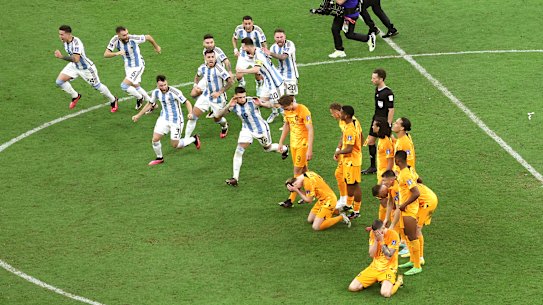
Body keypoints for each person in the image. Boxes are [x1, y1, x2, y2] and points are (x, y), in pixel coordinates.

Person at [215, 87, 289, 186]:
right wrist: (228, 105)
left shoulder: (253, 101)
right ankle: (235, 178)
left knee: (267, 148)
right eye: (240, 97)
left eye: (244, 97)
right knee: (238, 151)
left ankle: (285, 149)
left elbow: (272, 104)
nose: (242, 99)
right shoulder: (233, 104)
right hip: (246, 129)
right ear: (235, 96)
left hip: (260, 129)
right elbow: (218, 116)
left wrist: (262, 103)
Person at [132, 75, 200, 166]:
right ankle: (159, 158)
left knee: (175, 145)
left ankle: (193, 139)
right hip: (163, 118)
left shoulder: (175, 92)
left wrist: (190, 113)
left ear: (167, 82)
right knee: (155, 139)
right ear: (157, 85)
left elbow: (187, 102)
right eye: (161, 86)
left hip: (176, 121)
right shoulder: (156, 92)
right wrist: (138, 115)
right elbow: (150, 104)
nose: (163, 87)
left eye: (165, 85)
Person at [54, 25, 118, 111]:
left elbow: (76, 59)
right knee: (59, 81)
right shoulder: (66, 41)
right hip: (74, 66)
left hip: (86, 69)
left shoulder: (76, 43)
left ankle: (113, 100)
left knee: (97, 86)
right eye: (59, 34)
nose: (60, 36)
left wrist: (61, 57)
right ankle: (75, 96)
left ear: (68, 34)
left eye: (62, 34)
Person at [104, 26, 161, 111]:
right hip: (128, 66)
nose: (126, 36)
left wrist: (156, 47)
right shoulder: (115, 40)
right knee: (135, 85)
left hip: (138, 65)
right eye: (124, 35)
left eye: (127, 33)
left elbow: (148, 37)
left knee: (124, 86)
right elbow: (106, 54)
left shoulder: (133, 38)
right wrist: (117, 53)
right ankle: (152, 104)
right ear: (118, 35)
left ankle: (139, 97)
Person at [185, 50, 234, 139]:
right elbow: (197, 76)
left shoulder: (220, 69)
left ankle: (224, 126)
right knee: (193, 116)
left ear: (215, 58)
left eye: (212, 57)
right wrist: (195, 85)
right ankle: (186, 139)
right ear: (205, 58)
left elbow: (230, 82)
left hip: (218, 99)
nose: (211, 59)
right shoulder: (202, 68)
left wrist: (219, 92)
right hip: (206, 96)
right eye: (209, 57)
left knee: (217, 118)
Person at [348, 219, 403, 297]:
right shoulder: (373, 234)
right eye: (374, 232)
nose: (376, 234)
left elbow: (388, 256)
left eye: (378, 232)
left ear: (383, 228)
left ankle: (398, 282)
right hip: (374, 267)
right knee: (353, 287)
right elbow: (371, 254)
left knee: (385, 293)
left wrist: (382, 241)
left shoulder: (393, 235)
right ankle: (378, 280)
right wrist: (376, 241)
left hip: (388, 269)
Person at [277, 95, 314, 208]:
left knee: (297, 171)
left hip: (303, 145)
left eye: (286, 107)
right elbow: (286, 125)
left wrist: (309, 149)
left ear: (292, 102)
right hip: (294, 144)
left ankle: (290, 200)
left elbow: (310, 129)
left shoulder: (303, 110)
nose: (285, 109)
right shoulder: (287, 112)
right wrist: (281, 142)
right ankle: (310, 193)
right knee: (304, 171)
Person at [236, 38, 285, 121]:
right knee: (261, 100)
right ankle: (275, 113)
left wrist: (242, 70)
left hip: (274, 82)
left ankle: (287, 121)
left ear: (248, 46)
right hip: (267, 81)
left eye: (243, 47)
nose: (243, 49)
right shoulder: (257, 50)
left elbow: (256, 69)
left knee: (279, 103)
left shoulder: (259, 55)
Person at [286, 171, 351, 230]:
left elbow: (309, 200)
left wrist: (297, 191)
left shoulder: (307, 182)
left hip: (329, 201)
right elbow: (308, 195)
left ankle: (342, 217)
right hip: (322, 200)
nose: (300, 188)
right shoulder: (307, 174)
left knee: (316, 227)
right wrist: (298, 190)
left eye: (298, 188)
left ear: (295, 184)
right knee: (310, 220)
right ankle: (337, 211)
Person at [393, 150, 422, 275]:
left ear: (398, 160)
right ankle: (412, 260)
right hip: (407, 208)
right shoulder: (409, 170)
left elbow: (416, 192)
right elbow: (419, 180)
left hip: (409, 209)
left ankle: (417, 265)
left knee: (412, 236)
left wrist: (404, 204)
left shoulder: (405, 174)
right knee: (407, 234)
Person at [333, 105, 364, 218]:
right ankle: (349, 205)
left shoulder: (350, 129)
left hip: (352, 160)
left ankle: (356, 210)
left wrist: (338, 152)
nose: (339, 114)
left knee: (354, 185)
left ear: (346, 116)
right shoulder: (348, 124)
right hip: (349, 160)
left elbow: (349, 148)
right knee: (349, 184)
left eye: (341, 113)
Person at [363, 68, 395, 175]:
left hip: (383, 122)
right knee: (371, 141)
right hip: (376, 119)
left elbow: (391, 109)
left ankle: (392, 165)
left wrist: (389, 124)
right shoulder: (377, 90)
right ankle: (373, 167)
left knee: (388, 143)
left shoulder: (388, 93)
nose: (372, 80)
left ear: (381, 79)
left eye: (374, 78)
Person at [263, 28, 299, 123]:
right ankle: (275, 112)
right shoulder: (273, 47)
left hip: (291, 75)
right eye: (277, 37)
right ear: (274, 38)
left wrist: (269, 53)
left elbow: (283, 57)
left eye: (281, 37)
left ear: (285, 37)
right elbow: (267, 59)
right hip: (280, 75)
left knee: (291, 98)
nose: (279, 39)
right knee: (275, 94)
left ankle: (292, 118)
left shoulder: (289, 44)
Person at [231, 16, 267, 91]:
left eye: (249, 23)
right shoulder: (239, 29)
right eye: (245, 24)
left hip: (256, 56)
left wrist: (265, 54)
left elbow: (263, 43)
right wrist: (235, 49)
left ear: (252, 23)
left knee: (257, 73)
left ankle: (259, 84)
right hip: (243, 56)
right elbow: (234, 38)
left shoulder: (258, 31)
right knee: (238, 74)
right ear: (243, 23)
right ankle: (242, 83)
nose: (247, 26)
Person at [329, 103, 348, 208]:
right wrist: (338, 148)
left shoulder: (348, 122)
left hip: (350, 154)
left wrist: (339, 151)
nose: (332, 116)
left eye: (332, 113)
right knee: (339, 174)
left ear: (337, 112)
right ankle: (343, 197)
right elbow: (343, 134)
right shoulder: (342, 121)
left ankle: (346, 200)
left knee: (347, 177)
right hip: (344, 151)